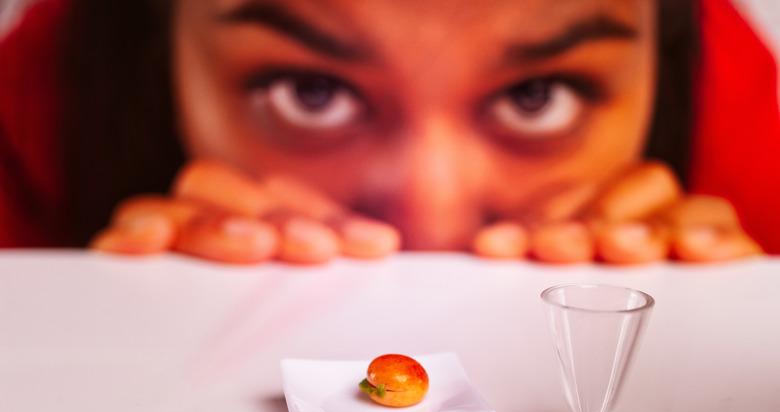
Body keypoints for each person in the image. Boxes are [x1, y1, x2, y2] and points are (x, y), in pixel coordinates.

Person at [0, 0, 777, 265]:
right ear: (153, 45)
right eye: (311, 93)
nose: (430, 227)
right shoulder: (30, 109)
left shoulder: (742, 120)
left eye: (538, 97)